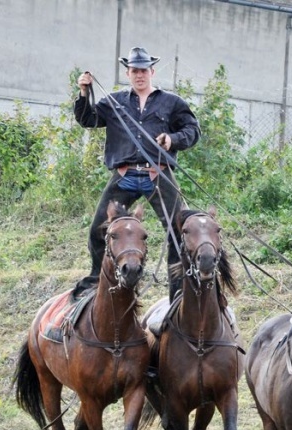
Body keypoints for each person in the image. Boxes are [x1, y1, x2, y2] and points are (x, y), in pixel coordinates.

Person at [72, 46, 201, 301]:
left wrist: (171, 139)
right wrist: (83, 92)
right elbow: (88, 119)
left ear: (151, 71)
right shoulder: (114, 102)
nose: (139, 75)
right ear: (128, 73)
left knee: (178, 232)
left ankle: (178, 294)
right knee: (98, 230)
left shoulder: (172, 103)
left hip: (157, 174)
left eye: (143, 70)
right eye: (134, 71)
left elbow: (193, 130)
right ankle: (96, 284)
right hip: (125, 175)